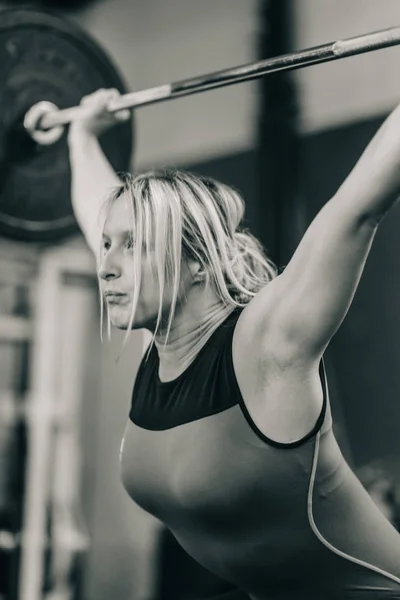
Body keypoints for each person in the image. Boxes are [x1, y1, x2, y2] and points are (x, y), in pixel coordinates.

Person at [67, 88, 400, 600]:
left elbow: (356, 208)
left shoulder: (267, 342)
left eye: (133, 244)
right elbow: (95, 207)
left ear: (197, 262)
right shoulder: (160, 345)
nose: (106, 264)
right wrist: (82, 135)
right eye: (109, 244)